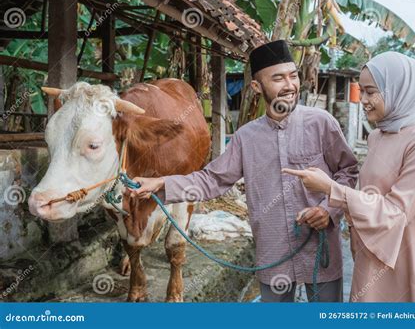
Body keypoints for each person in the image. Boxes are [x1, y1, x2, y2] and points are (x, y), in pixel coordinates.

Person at [127, 40, 359, 302]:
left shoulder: (321, 123)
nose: (289, 85)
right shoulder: (246, 137)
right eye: (278, 78)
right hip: (273, 253)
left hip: (321, 250)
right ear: (257, 87)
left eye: (293, 76)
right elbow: (212, 179)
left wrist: (329, 211)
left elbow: (348, 172)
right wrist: (161, 184)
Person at [283, 51, 415, 302]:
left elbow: (396, 211)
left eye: (371, 91)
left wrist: (331, 188)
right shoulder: (378, 136)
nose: (362, 99)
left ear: (399, 90)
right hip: (374, 250)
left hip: (412, 257)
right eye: (361, 90)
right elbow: (368, 193)